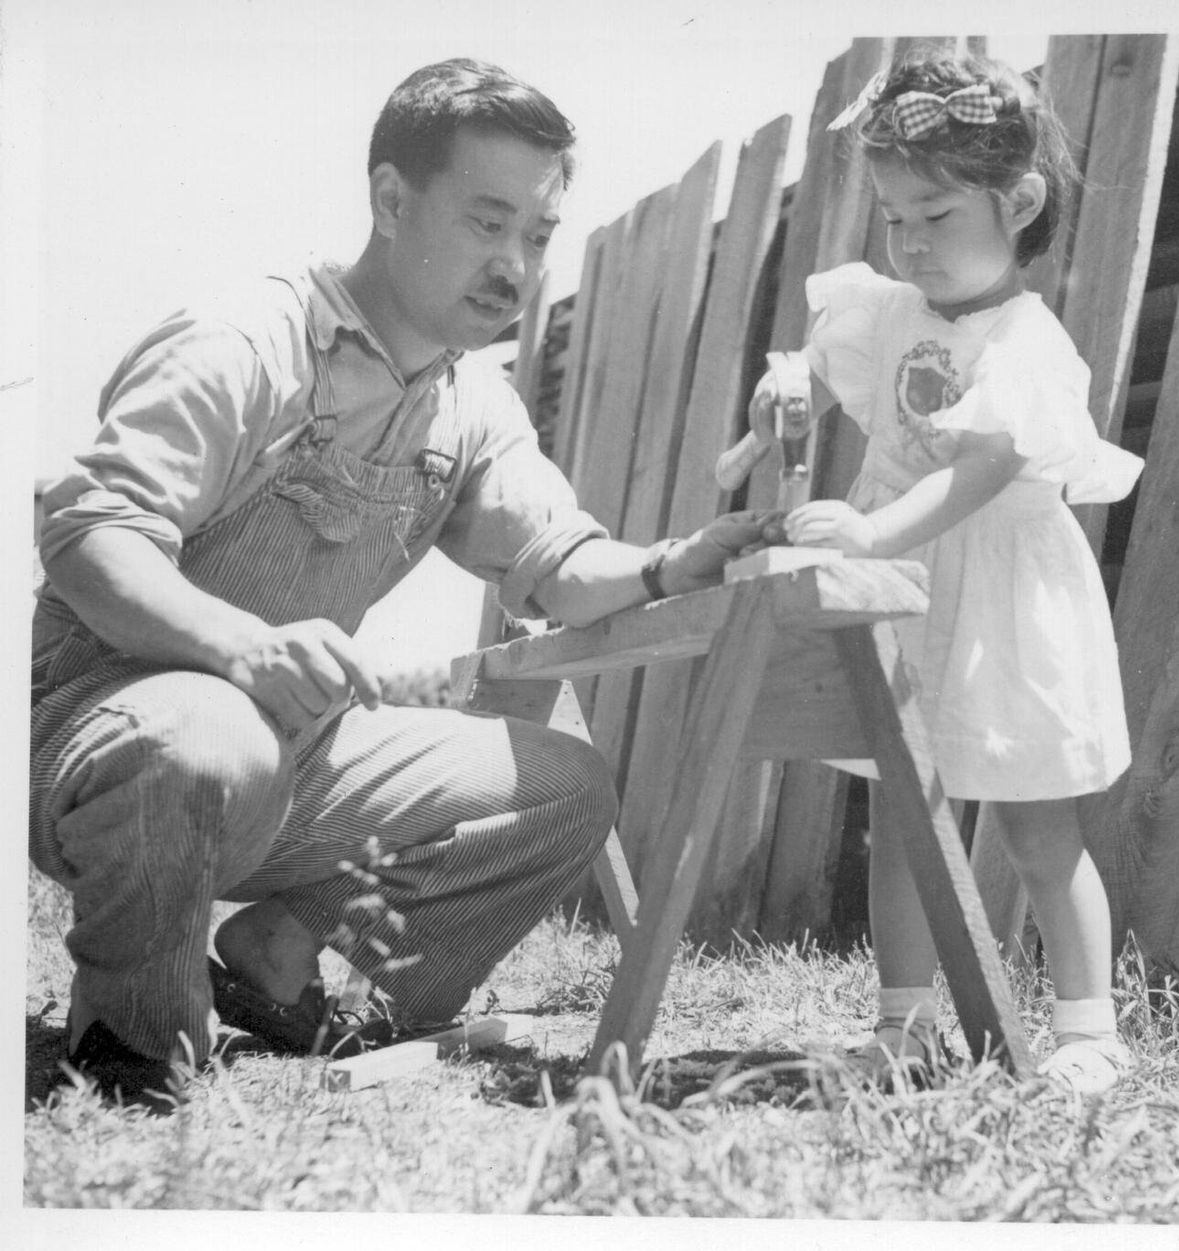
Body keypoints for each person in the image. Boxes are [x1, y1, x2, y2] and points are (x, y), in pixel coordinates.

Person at [30, 57, 769, 1108]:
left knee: (564, 790)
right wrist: (239, 648)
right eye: (486, 222)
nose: (515, 263)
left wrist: (663, 564)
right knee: (202, 732)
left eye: (538, 234)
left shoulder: (470, 404)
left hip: (285, 755)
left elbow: (553, 563)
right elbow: (91, 536)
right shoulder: (245, 340)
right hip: (96, 737)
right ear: (390, 199)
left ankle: (277, 960)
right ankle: (133, 1046)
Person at [727, 51, 1143, 1095]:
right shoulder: (887, 306)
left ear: (1019, 203)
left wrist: (871, 537)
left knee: (1038, 824)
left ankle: (1085, 1028)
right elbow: (818, 367)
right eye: (891, 216)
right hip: (907, 598)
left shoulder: (1025, 341)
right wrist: (774, 414)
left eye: (935, 215)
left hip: (998, 593)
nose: (907, 241)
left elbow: (983, 467)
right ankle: (903, 1021)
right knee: (901, 814)